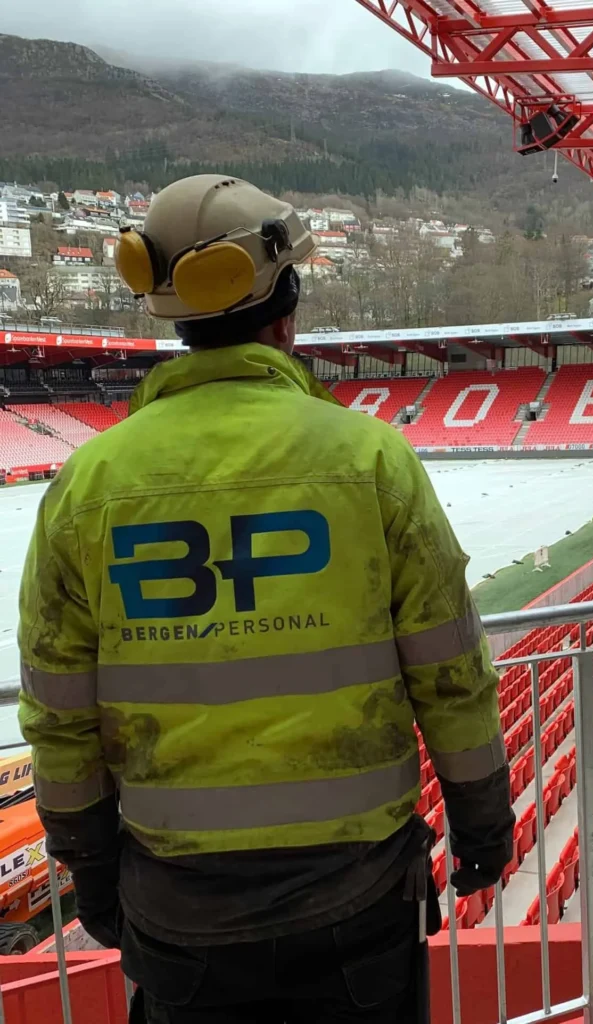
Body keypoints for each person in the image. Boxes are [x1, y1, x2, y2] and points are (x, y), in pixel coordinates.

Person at [18, 174, 514, 1023]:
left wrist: (92, 869)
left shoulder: (87, 485)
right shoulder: (371, 462)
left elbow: (58, 715)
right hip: (357, 901)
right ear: (286, 302)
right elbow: (450, 674)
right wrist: (481, 824)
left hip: (179, 914)